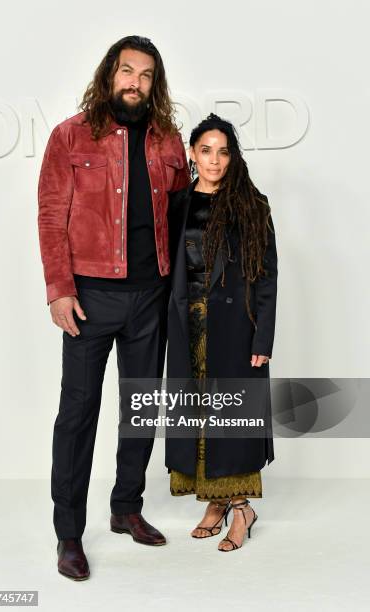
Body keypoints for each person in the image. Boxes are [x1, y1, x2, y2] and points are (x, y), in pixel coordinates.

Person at [37, 35, 190, 580]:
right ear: (109, 75)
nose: (135, 83)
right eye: (127, 71)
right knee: (77, 416)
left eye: (146, 75)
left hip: (152, 298)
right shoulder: (70, 136)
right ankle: (69, 535)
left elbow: (183, 214)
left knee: (141, 410)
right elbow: (52, 217)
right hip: (90, 299)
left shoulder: (169, 142)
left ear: (155, 85)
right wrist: (59, 289)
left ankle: (127, 508)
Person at [165, 113, 277, 552]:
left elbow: (266, 277)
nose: (214, 160)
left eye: (224, 152)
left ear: (233, 157)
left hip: (234, 327)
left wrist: (262, 340)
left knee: (232, 420)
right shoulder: (178, 205)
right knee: (197, 418)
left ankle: (242, 509)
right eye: (206, 150)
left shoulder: (252, 204)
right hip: (186, 324)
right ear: (192, 153)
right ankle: (215, 503)